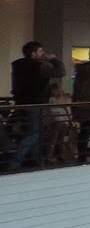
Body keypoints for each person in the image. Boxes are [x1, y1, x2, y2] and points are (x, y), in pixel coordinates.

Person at [8, 41, 65, 171]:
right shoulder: (38, 66)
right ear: (33, 54)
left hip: (21, 103)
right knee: (34, 133)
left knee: (34, 132)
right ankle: (15, 161)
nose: (42, 53)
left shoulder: (18, 65)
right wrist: (54, 59)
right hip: (35, 103)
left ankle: (36, 161)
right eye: (40, 51)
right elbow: (60, 71)